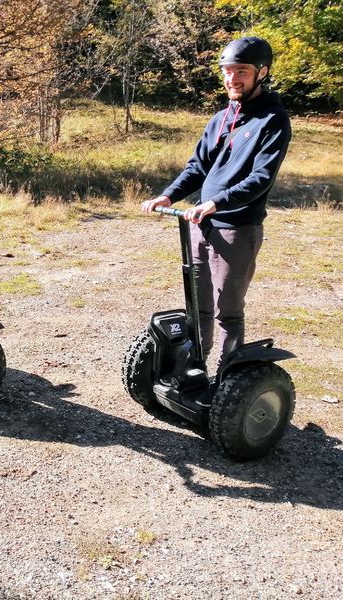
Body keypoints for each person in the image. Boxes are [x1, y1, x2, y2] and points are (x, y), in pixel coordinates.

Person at [141, 36, 291, 369]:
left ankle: (229, 376)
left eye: (241, 71)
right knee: (199, 306)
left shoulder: (273, 120)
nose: (232, 78)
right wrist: (169, 195)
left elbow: (260, 179)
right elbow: (198, 167)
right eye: (227, 71)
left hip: (237, 230)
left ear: (261, 72)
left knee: (228, 311)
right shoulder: (222, 117)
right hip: (201, 225)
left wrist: (216, 203)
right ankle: (197, 365)